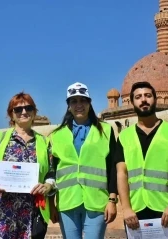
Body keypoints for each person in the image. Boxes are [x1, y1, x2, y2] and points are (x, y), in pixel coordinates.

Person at [0, 92, 56, 239]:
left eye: (28, 108)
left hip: (32, 212)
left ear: (34, 112)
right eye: (18, 109)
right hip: (3, 212)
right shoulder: (0, 139)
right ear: (11, 114)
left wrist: (47, 186)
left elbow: (51, 173)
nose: (24, 112)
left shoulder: (44, 142)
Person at [116, 81, 168, 239]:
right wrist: (126, 208)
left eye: (148, 96)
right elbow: (122, 174)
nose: (143, 100)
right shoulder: (124, 137)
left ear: (156, 99)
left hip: (165, 210)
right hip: (135, 211)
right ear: (132, 102)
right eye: (138, 97)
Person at [48, 82, 118, 239]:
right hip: (67, 201)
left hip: (96, 201)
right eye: (74, 101)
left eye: (83, 100)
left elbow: (112, 167)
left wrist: (112, 199)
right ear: (68, 105)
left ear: (89, 103)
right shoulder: (56, 135)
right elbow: (52, 171)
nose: (79, 105)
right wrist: (51, 203)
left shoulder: (105, 131)